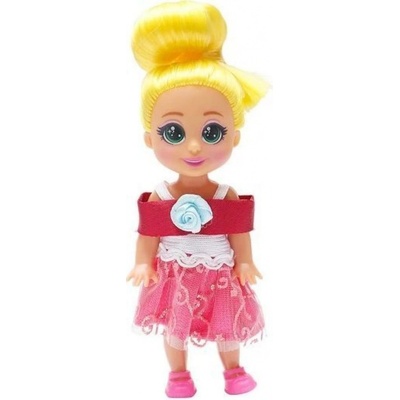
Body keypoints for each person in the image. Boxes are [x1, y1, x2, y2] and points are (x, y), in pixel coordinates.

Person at [126, 1, 269, 397]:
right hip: (174, 272)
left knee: (228, 326)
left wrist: (244, 261)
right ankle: (178, 375)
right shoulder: (160, 195)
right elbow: (148, 234)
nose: (193, 146)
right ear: (150, 138)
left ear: (234, 136)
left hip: (220, 272)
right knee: (175, 327)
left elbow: (239, 232)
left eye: (211, 132)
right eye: (173, 133)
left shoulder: (225, 194)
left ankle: (233, 370)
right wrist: (143, 262)